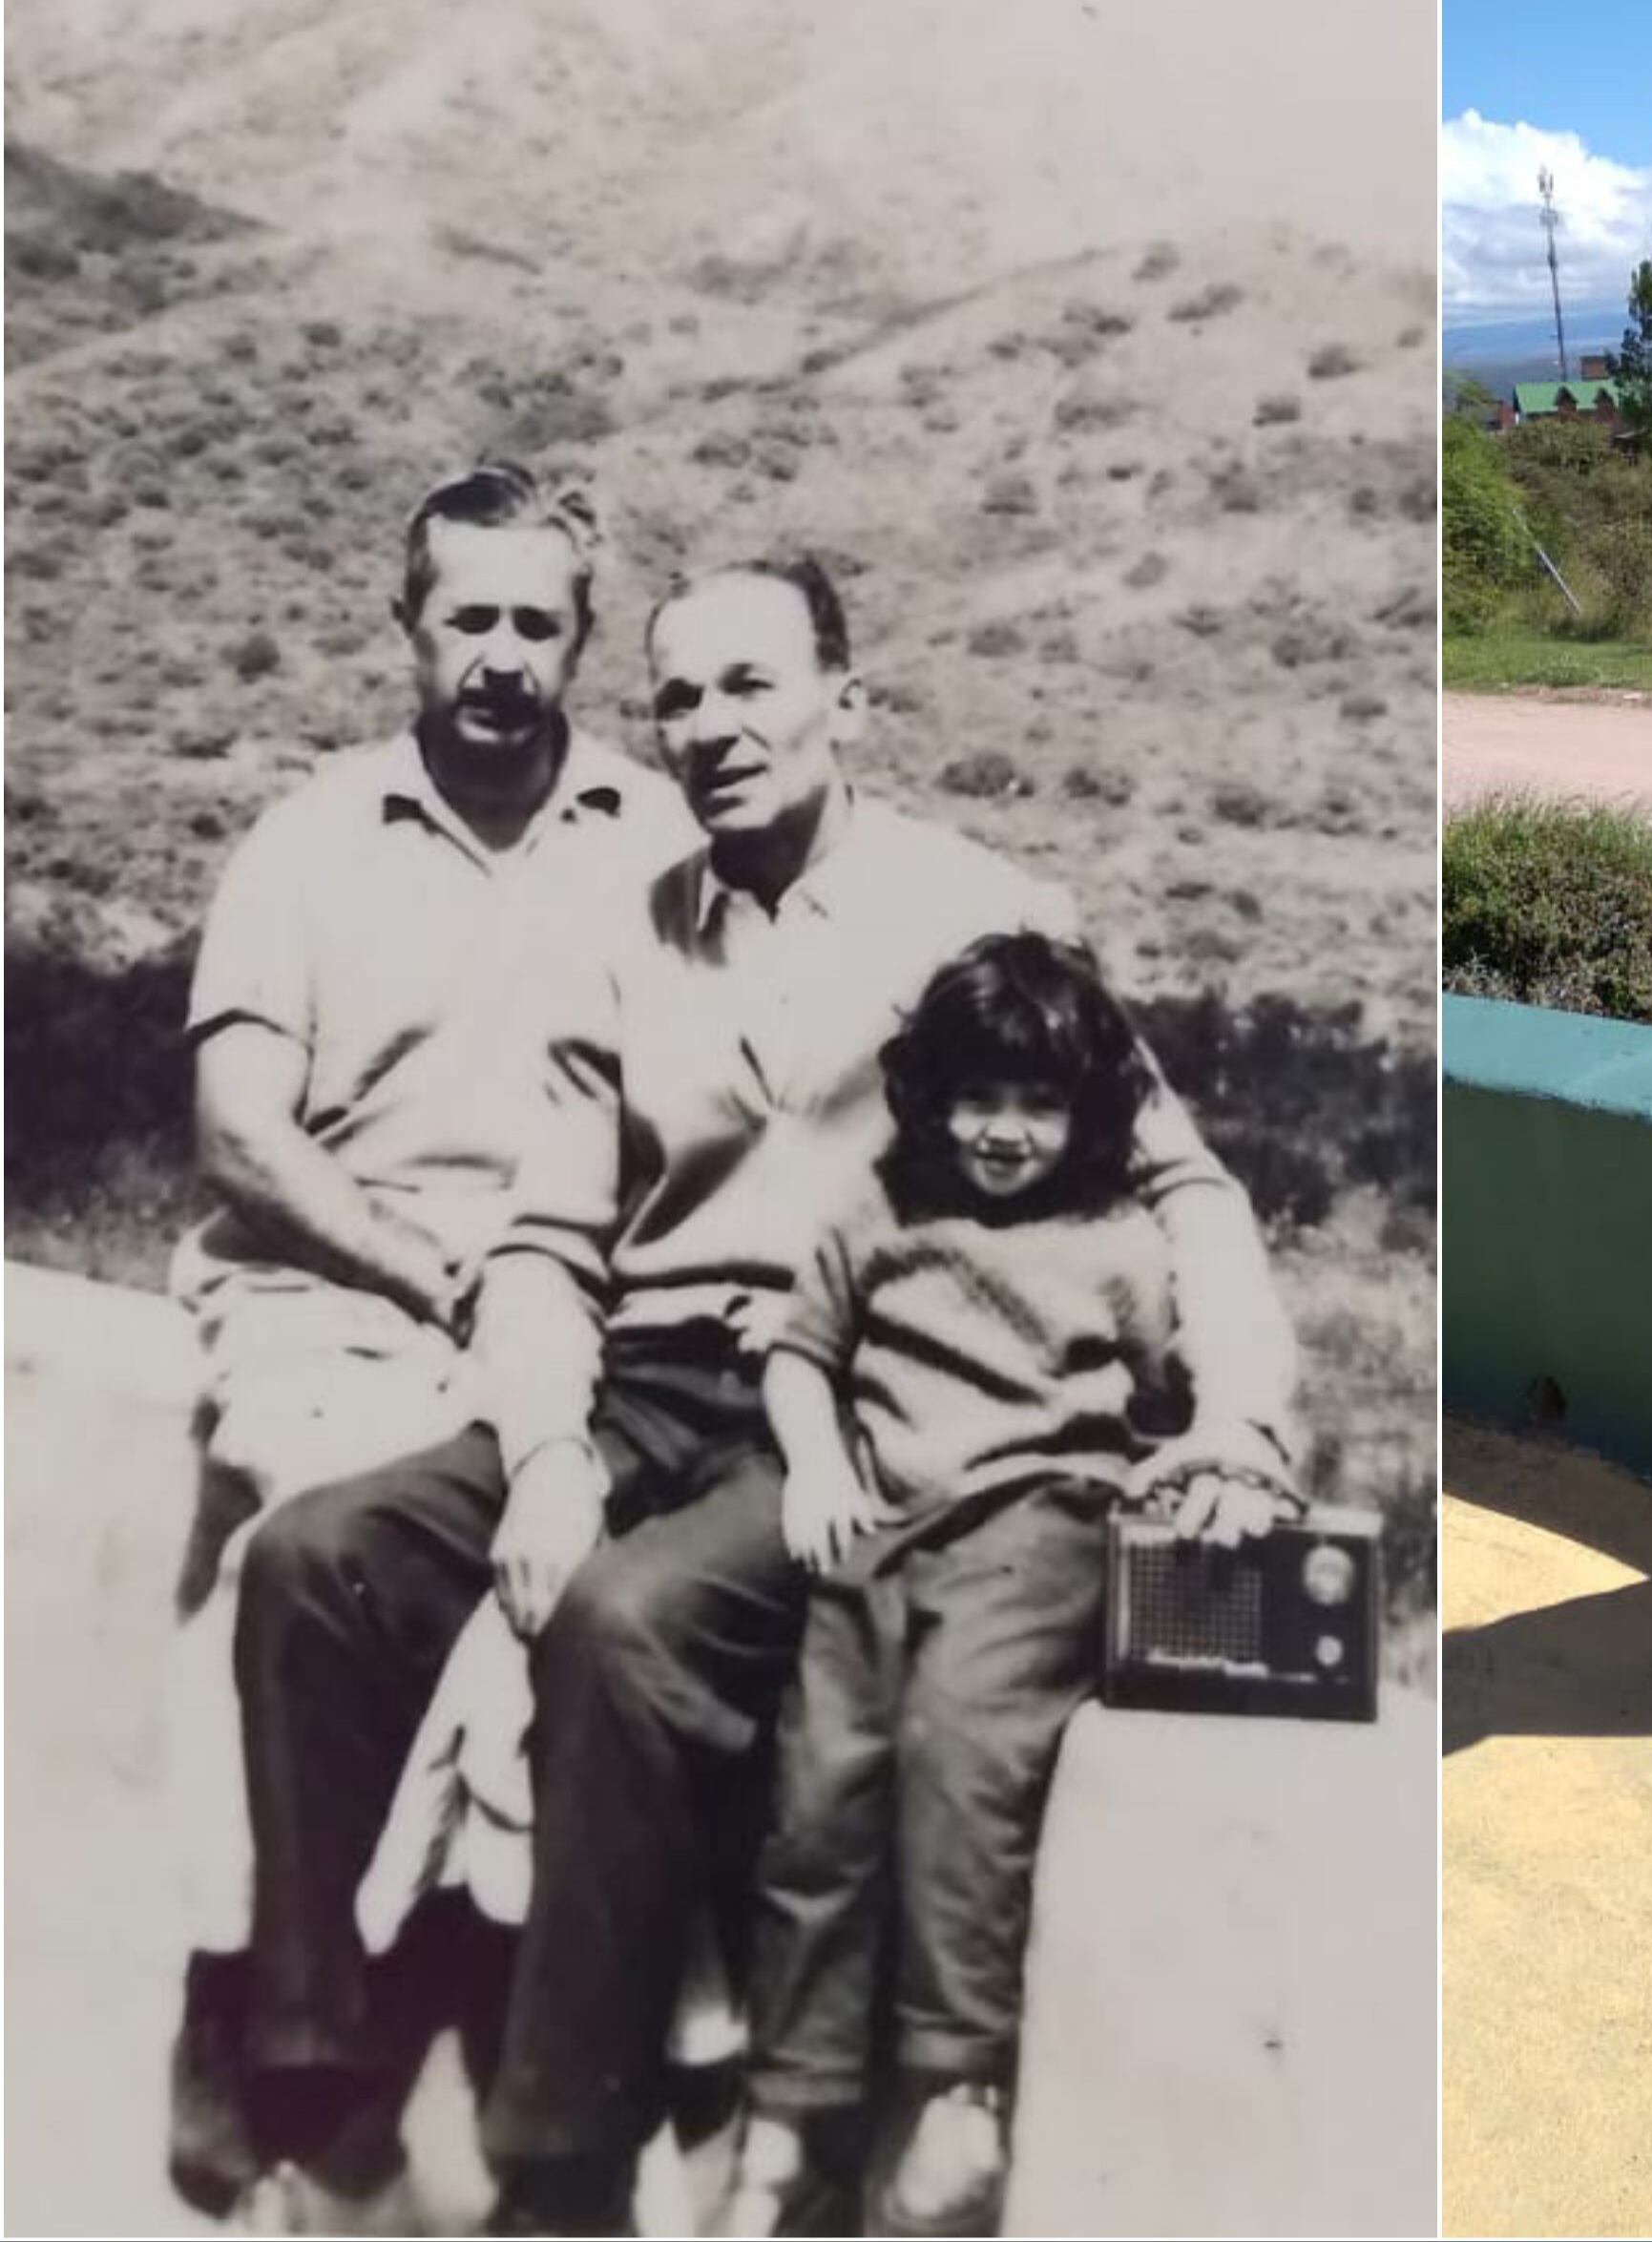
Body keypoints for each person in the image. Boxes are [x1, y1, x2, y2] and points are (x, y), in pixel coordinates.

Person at [231, 555, 1296, 2232]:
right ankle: (315, 2094)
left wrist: (1240, 1417)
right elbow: (545, 1238)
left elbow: (1185, 1187)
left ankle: (560, 2152)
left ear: (844, 701)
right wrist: (545, 1444)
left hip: (843, 1404)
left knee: (625, 1623)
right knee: (316, 1562)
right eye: (677, 696)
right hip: (633, 1377)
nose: (712, 728)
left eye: (750, 685)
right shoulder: (627, 930)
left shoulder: (983, 913)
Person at [163, 461, 688, 2222]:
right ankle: (258, 2002)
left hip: (559, 1310)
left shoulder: (656, 839)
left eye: (539, 623)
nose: (501, 656)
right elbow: (242, 1132)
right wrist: (425, 1270)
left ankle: (396, 2005)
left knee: (548, 1584)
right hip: (335, 1294)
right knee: (322, 1553)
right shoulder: (315, 835)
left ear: (582, 644)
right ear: (409, 626)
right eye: (469, 616)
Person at [719, 931, 1296, 2237]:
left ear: (1090, 1111)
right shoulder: (885, 1209)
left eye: (1037, 1103)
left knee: (961, 1747)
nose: (1000, 1131)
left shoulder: (1116, 1238)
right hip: (874, 1524)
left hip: (1034, 1524)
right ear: (930, 1096)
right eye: (977, 1096)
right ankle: (793, 2105)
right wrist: (813, 1463)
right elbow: (799, 1351)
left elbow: (1176, 1384)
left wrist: (1219, 1451)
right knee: (819, 1783)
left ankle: (952, 2081)